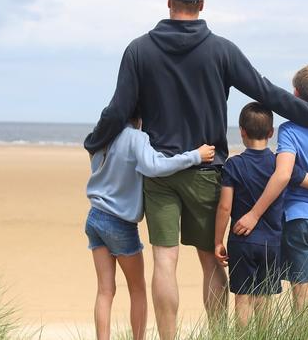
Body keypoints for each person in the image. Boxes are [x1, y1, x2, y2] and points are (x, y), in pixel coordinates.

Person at [83, 0, 308, 338]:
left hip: (160, 174)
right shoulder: (221, 50)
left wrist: (95, 141)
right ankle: (220, 335)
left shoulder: (139, 50)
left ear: (168, 2)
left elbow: (118, 110)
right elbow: (267, 93)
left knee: (164, 260)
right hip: (207, 170)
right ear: (202, 6)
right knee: (210, 260)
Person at [214, 102, 308, 327]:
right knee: (264, 298)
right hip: (272, 242)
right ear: (270, 133)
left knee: (243, 297)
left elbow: (225, 207)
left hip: (241, 240)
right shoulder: (280, 166)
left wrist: (218, 240)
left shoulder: (233, 165)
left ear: (242, 131)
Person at [84, 107, 215, 340]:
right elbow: (154, 166)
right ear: (140, 117)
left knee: (105, 290)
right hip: (119, 223)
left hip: (95, 217)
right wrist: (195, 156)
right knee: (137, 289)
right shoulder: (136, 138)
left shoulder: (102, 138)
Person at [233, 65, 308, 310]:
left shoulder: (289, 130)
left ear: (294, 95)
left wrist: (254, 214)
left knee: (301, 287)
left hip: (298, 217)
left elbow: (283, 174)